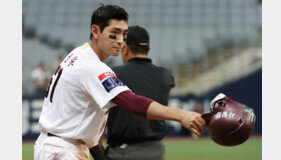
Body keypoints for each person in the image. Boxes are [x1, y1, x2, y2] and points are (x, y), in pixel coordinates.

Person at [34, 4, 205, 160]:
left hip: (60, 145)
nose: (121, 40)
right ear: (95, 31)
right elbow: (130, 102)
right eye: (114, 33)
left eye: (124, 34)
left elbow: (89, 133)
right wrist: (181, 115)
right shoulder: (92, 66)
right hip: (62, 149)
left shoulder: (80, 53)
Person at [104, 25, 175, 160]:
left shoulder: (113, 75)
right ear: (147, 49)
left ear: (125, 49)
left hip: (123, 152)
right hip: (157, 151)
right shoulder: (165, 75)